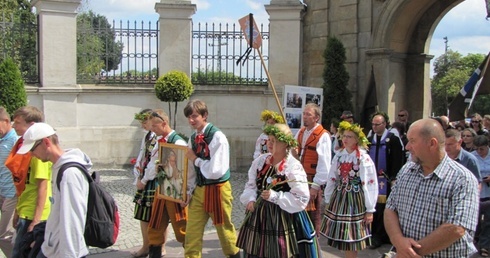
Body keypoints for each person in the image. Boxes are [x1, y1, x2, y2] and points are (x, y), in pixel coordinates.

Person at [384, 118, 479, 257]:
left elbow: (457, 228)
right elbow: (390, 208)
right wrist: (398, 241)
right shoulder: (406, 170)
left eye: (412, 141)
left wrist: (411, 252)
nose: (407, 147)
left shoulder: (462, 179)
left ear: (432, 144)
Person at [236, 124, 320, 258]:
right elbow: (251, 185)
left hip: (284, 217)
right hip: (260, 216)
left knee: (280, 251)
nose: (270, 143)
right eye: (269, 140)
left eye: (274, 141)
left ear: (285, 144)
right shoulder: (260, 161)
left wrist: (275, 196)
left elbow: (301, 198)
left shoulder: (292, 166)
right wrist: (250, 199)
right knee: (257, 250)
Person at [17, 122, 92, 257]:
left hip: (63, 252)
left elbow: (73, 221)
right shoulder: (58, 168)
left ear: (46, 142)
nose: (32, 155)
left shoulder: (70, 174)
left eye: (32, 149)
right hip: (52, 247)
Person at [183, 99, 240, 258]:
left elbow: (216, 171)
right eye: (189, 117)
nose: (191, 120)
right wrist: (187, 191)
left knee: (224, 229)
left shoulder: (218, 137)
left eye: (195, 116)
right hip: (200, 190)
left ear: (205, 115)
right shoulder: (193, 138)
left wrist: (196, 159)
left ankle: (234, 255)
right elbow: (191, 171)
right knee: (192, 231)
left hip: (218, 189)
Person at [320, 121, 378, 258]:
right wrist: (328, 197)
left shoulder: (363, 158)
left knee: (351, 236)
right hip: (340, 198)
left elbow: (370, 184)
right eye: (344, 136)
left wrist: (370, 209)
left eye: (349, 137)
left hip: (355, 200)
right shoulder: (339, 156)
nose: (345, 139)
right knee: (342, 235)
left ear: (357, 139)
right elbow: (332, 178)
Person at [6, 106, 52, 258]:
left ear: (31, 125)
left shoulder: (39, 154)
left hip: (34, 215)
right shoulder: (25, 148)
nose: (13, 126)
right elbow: (24, 185)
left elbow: (42, 188)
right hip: (26, 211)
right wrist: (18, 211)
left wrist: (36, 221)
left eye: (18, 123)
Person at [147, 109, 188, 258]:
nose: (152, 129)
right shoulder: (160, 142)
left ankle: (193, 253)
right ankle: (154, 254)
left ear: (164, 124)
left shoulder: (178, 142)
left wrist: (185, 193)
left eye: (155, 126)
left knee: (181, 226)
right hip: (162, 189)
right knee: (156, 225)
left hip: (175, 190)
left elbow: (185, 169)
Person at [367, 112, 404, 249]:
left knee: (384, 208)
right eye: (373, 124)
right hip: (372, 179)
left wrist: (394, 177)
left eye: (377, 124)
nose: (375, 127)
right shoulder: (370, 139)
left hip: (386, 180)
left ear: (384, 124)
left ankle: (381, 235)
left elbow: (397, 160)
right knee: (373, 206)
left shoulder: (392, 140)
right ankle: (373, 233)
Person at [295, 103, 332, 236]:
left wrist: (315, 186)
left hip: (311, 180)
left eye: (308, 114)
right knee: (298, 212)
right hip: (299, 178)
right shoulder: (301, 132)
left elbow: (324, 163)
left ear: (316, 118)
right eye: (304, 113)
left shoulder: (323, 135)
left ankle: (312, 246)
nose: (304, 117)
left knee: (312, 216)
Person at [132, 109, 158, 257]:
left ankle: (159, 247)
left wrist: (144, 179)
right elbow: (142, 154)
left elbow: (154, 162)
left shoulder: (156, 138)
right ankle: (146, 246)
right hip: (144, 178)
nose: (142, 125)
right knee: (143, 214)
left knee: (158, 215)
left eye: (144, 121)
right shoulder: (147, 136)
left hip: (152, 180)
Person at [0, 107, 18, 243]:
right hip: (2, 191)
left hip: (12, 193)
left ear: (6, 121)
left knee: (5, 236)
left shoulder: (15, 140)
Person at [471, 135, 490, 257]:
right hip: (477, 193)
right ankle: (475, 241)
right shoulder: (472, 156)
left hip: (488, 193)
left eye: (482, 149)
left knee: (488, 221)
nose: (479, 151)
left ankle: (485, 245)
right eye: (477, 149)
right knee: (476, 220)